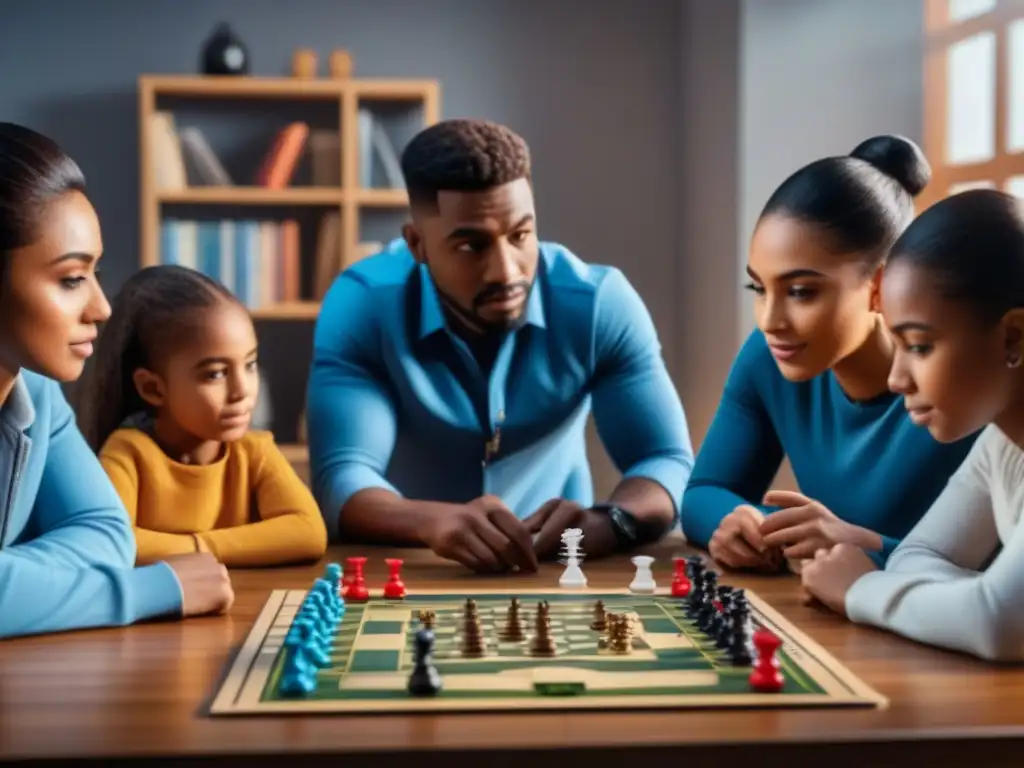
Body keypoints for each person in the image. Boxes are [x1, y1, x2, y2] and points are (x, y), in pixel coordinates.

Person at [306, 118, 693, 573]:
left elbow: (664, 459)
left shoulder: (599, 305)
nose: (506, 272)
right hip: (412, 567)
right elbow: (341, 477)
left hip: (556, 568)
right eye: (472, 246)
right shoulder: (362, 305)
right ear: (417, 244)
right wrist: (429, 521)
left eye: (520, 235)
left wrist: (612, 522)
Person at [680, 135, 978, 572]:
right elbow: (702, 494)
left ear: (880, 286)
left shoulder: (970, 379)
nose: (769, 320)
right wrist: (751, 525)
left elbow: (999, 578)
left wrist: (860, 546)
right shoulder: (768, 357)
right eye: (759, 289)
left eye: (801, 292)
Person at [0, 122, 232, 639]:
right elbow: (119, 564)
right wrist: (151, 590)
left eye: (95, 273)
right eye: (70, 279)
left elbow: (106, 533)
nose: (102, 308)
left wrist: (13, 581)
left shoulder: (37, 393)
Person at [803, 189, 1024, 661]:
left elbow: (999, 623)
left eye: (920, 346)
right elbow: (916, 557)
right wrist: (971, 598)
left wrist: (862, 590)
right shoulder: (1001, 443)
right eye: (896, 343)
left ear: (1013, 337)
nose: (896, 378)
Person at [81, 265, 327, 568]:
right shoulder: (128, 454)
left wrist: (197, 549)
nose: (242, 391)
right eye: (215, 374)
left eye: (250, 365)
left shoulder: (254, 451)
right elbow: (112, 543)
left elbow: (308, 531)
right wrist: (241, 545)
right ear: (153, 388)